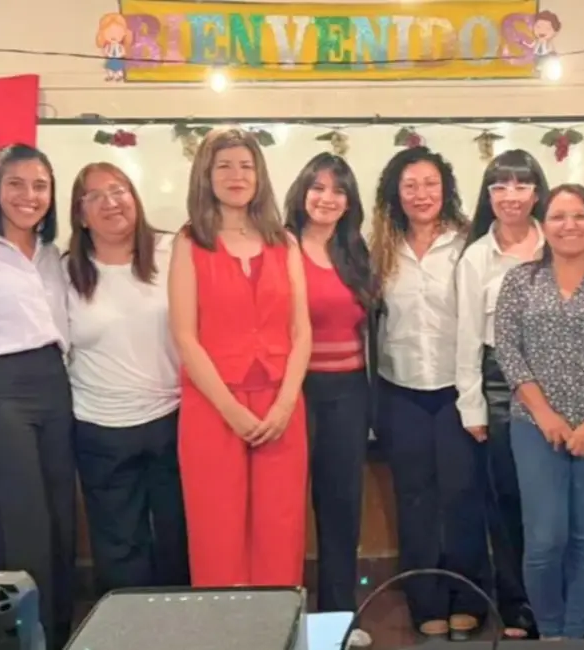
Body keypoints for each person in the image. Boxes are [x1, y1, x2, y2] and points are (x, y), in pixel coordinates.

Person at [454, 149, 584, 640]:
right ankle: (522, 610)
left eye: (522, 185)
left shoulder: (567, 242)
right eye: (499, 186)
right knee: (516, 506)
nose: (510, 196)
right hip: (504, 383)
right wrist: (472, 403)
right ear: (488, 195)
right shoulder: (477, 256)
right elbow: (469, 334)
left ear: (538, 194)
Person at [493, 183, 584, 640]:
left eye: (580, 216)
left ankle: (576, 635)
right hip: (535, 428)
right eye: (558, 216)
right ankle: (551, 633)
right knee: (544, 538)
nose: (569, 225)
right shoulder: (520, 281)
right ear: (543, 224)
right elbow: (508, 350)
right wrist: (546, 416)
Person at [169, 126, 311, 588]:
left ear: (259, 175)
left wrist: (285, 403)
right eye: (224, 166)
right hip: (213, 406)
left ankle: (278, 623)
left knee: (280, 530)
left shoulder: (284, 242)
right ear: (206, 176)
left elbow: (301, 331)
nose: (237, 175)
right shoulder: (190, 241)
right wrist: (231, 410)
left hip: (279, 404)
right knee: (216, 532)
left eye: (246, 166)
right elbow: (185, 337)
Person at [0, 144, 75, 650]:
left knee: (61, 514)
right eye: (16, 184)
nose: (29, 195)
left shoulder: (53, 254)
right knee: (22, 517)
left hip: (54, 382)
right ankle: (25, 636)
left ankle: (62, 632)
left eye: (40, 185)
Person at [369, 146, 488, 641]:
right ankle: (425, 600)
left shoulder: (469, 242)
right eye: (410, 185)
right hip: (400, 390)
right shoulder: (379, 247)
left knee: (462, 495)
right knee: (414, 499)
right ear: (396, 193)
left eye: (430, 183)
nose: (421, 194)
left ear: (446, 188)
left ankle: (468, 596)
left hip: (457, 390)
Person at [65, 162, 189, 594]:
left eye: (118, 190)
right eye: (95, 196)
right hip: (101, 429)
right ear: (81, 215)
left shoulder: (173, 251)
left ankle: (182, 625)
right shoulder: (64, 271)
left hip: (171, 419)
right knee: (119, 551)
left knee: (179, 540)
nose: (110, 202)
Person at [283, 153, 379, 648]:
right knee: (285, 510)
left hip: (349, 392)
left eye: (338, 190)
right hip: (293, 391)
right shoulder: (279, 246)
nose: (327, 198)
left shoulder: (355, 250)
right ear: (302, 193)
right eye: (318, 188)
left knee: (341, 510)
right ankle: (284, 619)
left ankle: (336, 621)